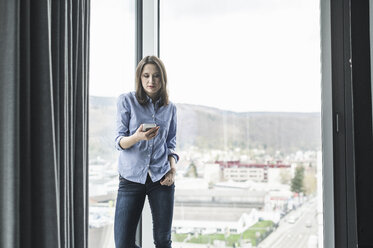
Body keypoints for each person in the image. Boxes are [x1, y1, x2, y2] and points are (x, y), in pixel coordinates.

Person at [114, 55, 179, 248]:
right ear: (140, 78)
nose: (151, 81)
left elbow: (171, 144)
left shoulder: (170, 108)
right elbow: (118, 142)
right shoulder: (126, 101)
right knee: (123, 243)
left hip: (161, 179)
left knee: (163, 241)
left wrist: (172, 170)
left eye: (156, 76)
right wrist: (137, 137)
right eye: (146, 76)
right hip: (130, 178)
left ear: (163, 79)